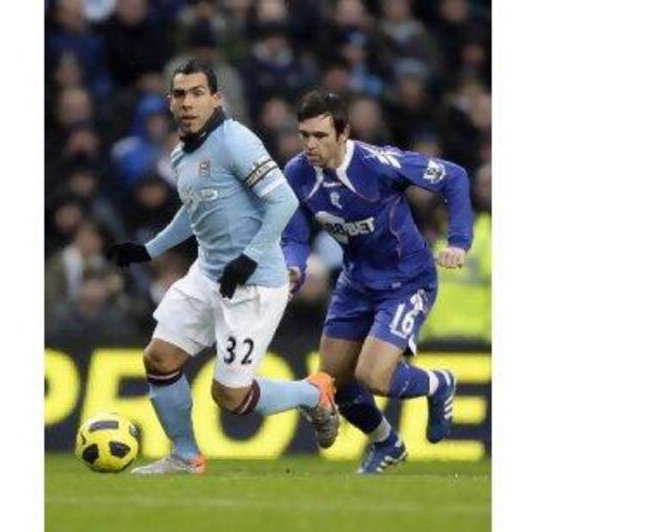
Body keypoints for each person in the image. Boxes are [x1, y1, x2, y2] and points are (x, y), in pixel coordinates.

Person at [106, 59, 339, 475]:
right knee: (159, 358)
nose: (188, 102)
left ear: (216, 98)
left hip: (253, 284)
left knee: (231, 398)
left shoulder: (236, 141)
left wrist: (249, 257)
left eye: (198, 93)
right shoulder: (181, 154)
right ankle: (184, 456)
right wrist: (149, 250)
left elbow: (283, 201)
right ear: (170, 102)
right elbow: (194, 210)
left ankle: (312, 393)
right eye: (180, 94)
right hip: (208, 274)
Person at [282, 90, 473, 473]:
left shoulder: (378, 163)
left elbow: (454, 176)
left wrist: (458, 242)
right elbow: (296, 235)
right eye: (304, 135)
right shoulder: (297, 174)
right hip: (356, 283)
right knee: (332, 382)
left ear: (343, 133)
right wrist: (294, 267)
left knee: (374, 376)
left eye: (320, 136)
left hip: (406, 279)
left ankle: (438, 383)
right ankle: (388, 443)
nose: (310, 145)